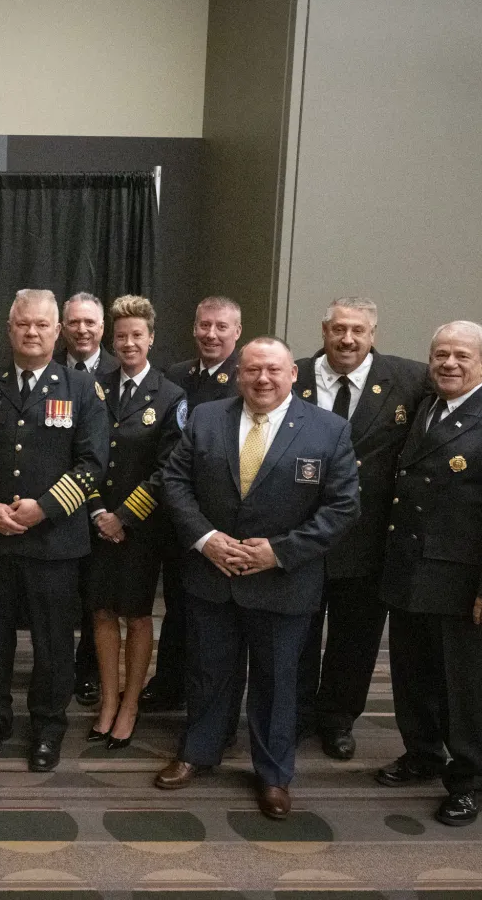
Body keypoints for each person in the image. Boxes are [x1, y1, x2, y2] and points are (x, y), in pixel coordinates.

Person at [155, 337, 359, 819]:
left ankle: (273, 774)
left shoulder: (329, 430)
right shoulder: (206, 418)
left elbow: (343, 507)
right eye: (252, 370)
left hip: (282, 581)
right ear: (238, 374)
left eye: (273, 370)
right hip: (213, 573)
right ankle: (199, 752)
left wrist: (279, 552)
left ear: (293, 374)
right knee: (208, 673)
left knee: (277, 682)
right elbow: (174, 483)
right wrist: (205, 539)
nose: (262, 379)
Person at [377, 321, 482, 827]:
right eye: (441, 355)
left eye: (461, 357)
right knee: (413, 676)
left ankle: (471, 778)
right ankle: (424, 754)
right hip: (410, 572)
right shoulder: (425, 409)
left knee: (466, 688)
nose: (449, 364)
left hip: (466, 587)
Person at [0, 289, 108, 772]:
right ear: (9, 327)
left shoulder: (80, 388)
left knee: (52, 641)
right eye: (24, 324)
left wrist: (44, 508)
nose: (33, 332)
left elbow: (92, 463)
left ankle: (47, 726)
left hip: (54, 543)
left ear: (57, 331)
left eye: (43, 325)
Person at [292, 297, 428, 759]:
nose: (347, 339)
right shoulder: (293, 376)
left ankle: (337, 719)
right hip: (301, 536)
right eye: (338, 329)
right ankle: (294, 715)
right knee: (298, 635)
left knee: (356, 639)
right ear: (324, 329)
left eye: (358, 331)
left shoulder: (410, 380)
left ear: (374, 334)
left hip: (369, 540)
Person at [86, 295, 185, 749]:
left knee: (138, 616)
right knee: (102, 613)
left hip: (141, 529)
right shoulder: (93, 387)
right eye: (121, 335)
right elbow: (83, 454)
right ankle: (108, 701)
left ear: (151, 338)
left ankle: (130, 704)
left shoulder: (170, 396)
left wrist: (124, 517)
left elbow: (169, 469)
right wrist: (97, 513)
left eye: (137, 335)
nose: (128, 343)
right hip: (96, 521)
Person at [142, 295, 243, 713]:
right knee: (177, 606)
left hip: (218, 519)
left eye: (221, 327)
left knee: (212, 618)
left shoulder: (245, 377)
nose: (211, 334)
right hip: (175, 513)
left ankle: (203, 699)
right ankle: (169, 683)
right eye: (204, 325)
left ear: (237, 331)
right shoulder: (177, 374)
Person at [56, 291, 118, 707]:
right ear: (62, 328)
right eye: (74, 322)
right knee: (63, 597)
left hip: (106, 508)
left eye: (90, 323)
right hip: (59, 508)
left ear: (103, 328)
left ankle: (88, 670)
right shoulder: (46, 368)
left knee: (99, 599)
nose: (82, 330)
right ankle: (58, 667)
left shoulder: (121, 371)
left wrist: (101, 508)